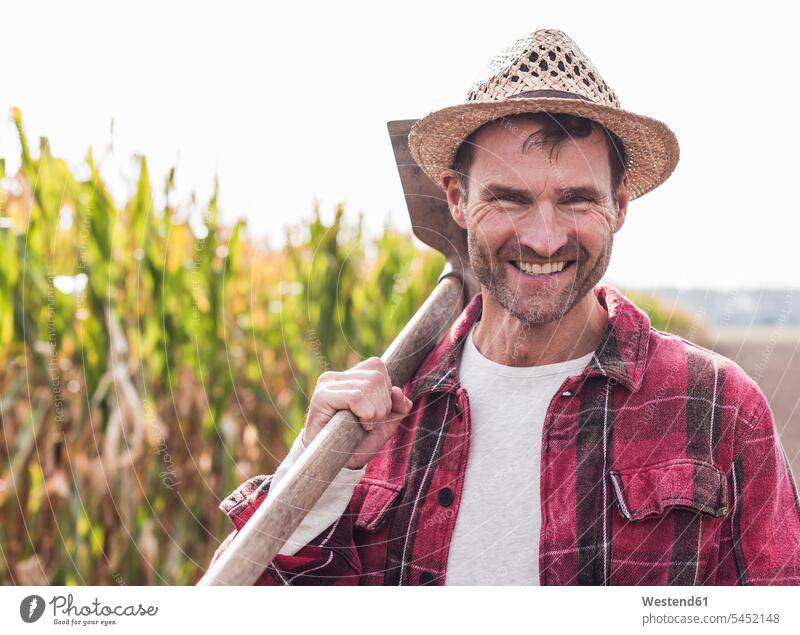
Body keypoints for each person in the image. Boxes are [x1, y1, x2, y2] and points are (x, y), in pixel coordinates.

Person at [209, 28, 800, 585]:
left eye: (576, 199)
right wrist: (318, 473)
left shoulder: (719, 409)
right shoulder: (380, 423)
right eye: (509, 198)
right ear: (456, 199)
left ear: (620, 205)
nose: (543, 238)